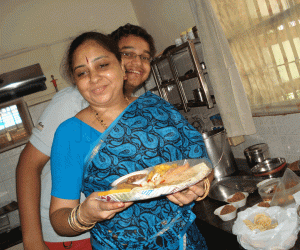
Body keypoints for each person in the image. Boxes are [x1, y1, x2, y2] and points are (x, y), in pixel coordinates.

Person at [49, 31, 211, 249]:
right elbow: (59, 218)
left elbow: (199, 162)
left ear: (122, 67)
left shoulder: (156, 106)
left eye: (102, 65)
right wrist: (84, 215)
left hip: (185, 238)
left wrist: (200, 184)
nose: (94, 78)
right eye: (82, 73)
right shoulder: (69, 134)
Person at [16, 24, 157, 250]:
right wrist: (32, 241)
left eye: (145, 57)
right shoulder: (74, 101)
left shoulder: (138, 105)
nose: (136, 63)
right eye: (128, 54)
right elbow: (28, 165)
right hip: (69, 232)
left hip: (116, 229)